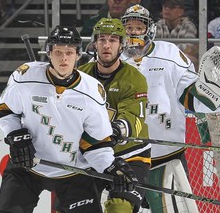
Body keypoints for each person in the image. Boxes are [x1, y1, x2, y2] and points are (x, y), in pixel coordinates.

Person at [0, 25, 138, 213]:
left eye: (69, 53)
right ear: (49, 53)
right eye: (58, 52)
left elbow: (96, 143)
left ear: (78, 55)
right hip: (27, 167)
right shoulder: (25, 77)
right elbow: (5, 109)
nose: (64, 58)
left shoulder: (91, 91)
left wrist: (111, 167)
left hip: (75, 173)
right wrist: (16, 135)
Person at [120, 4, 220, 213]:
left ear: (149, 29)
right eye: (129, 28)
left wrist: (211, 96)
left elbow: (189, 96)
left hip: (167, 155)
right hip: (125, 157)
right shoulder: (113, 59)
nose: (133, 32)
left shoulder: (170, 53)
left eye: (138, 27)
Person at [55, 17, 151, 213]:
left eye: (113, 40)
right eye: (102, 40)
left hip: (130, 155)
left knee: (119, 208)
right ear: (94, 44)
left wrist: (117, 129)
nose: (107, 45)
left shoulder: (135, 78)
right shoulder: (80, 75)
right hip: (91, 156)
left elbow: (134, 118)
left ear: (121, 45)